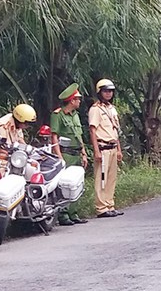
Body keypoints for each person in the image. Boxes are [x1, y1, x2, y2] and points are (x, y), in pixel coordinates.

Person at [50, 83, 89, 225]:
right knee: (65, 185)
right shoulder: (57, 115)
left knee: (76, 183)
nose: (79, 101)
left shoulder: (75, 115)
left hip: (77, 153)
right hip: (66, 153)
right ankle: (63, 215)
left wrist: (84, 153)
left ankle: (74, 213)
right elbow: (54, 137)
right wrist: (59, 157)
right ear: (72, 101)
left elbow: (79, 136)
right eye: (77, 99)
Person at [89, 78, 123, 218]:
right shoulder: (95, 109)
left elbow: (116, 131)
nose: (108, 94)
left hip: (113, 146)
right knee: (101, 178)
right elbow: (92, 130)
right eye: (105, 91)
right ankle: (101, 207)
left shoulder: (111, 109)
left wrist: (119, 149)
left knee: (111, 178)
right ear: (99, 92)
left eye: (110, 91)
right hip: (102, 147)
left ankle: (110, 204)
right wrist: (96, 150)